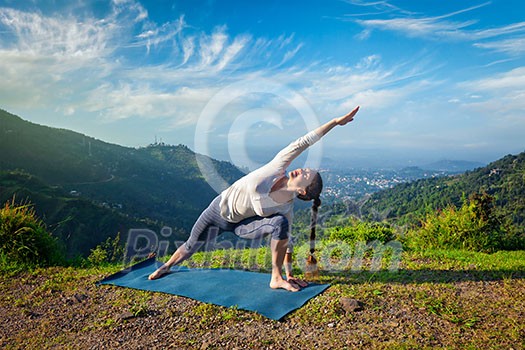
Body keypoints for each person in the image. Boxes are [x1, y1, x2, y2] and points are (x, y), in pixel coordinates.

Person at [149, 106, 360, 292]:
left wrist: (289, 273)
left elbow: (287, 242)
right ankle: (166, 266)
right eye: (305, 169)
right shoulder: (277, 167)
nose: (302, 170)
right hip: (218, 209)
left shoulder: (285, 208)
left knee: (280, 223)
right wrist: (334, 122)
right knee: (191, 245)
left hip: (242, 225)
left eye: (306, 175)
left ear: (304, 191)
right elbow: (303, 142)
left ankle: (275, 278)